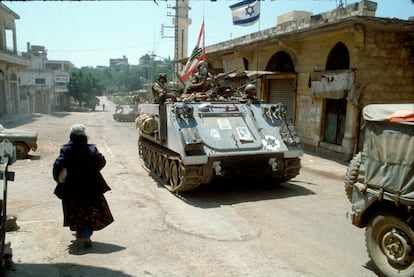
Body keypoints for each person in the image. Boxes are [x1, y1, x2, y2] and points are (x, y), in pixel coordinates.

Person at [53, 123, 113, 248]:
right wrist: (91, 170)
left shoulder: (66, 149)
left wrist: (57, 179)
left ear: (71, 135)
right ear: (84, 135)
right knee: (89, 212)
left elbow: (58, 165)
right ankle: (86, 234)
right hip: (91, 187)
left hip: (72, 188)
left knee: (77, 211)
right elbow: (101, 161)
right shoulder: (91, 149)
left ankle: (82, 232)